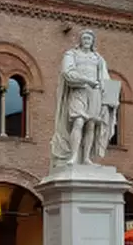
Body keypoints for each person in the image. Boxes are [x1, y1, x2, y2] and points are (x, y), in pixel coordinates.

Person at [50, 29, 118, 167]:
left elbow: (106, 78)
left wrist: (112, 99)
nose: (87, 41)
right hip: (78, 91)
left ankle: (86, 158)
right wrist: (87, 80)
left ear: (93, 42)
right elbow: (67, 73)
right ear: (80, 40)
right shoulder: (71, 54)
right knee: (79, 121)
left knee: (91, 125)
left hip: (95, 93)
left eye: (89, 39)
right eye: (84, 38)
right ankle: (74, 156)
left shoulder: (98, 59)